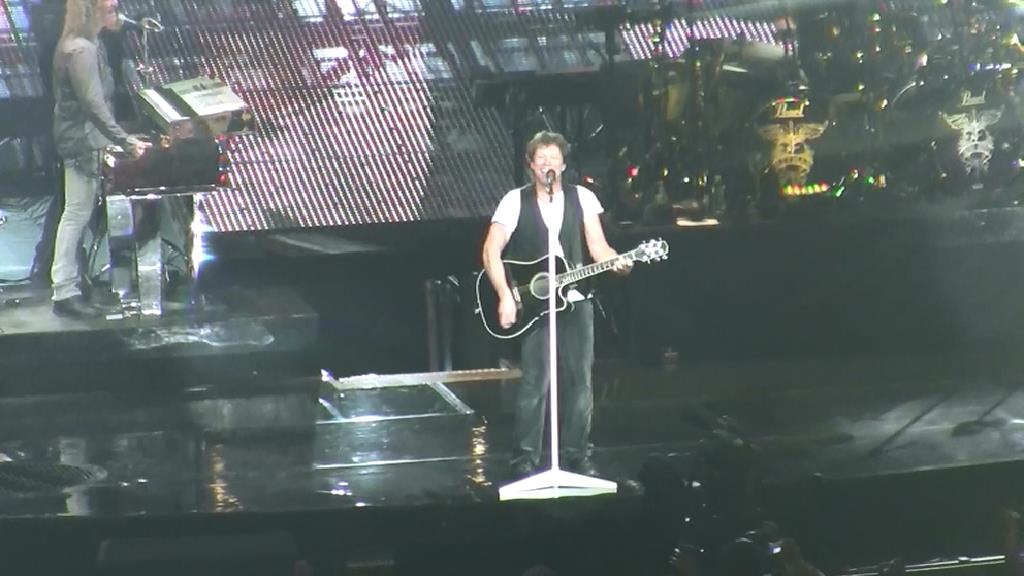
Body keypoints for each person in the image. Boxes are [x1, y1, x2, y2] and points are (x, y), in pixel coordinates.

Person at [481, 130, 631, 479]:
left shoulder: (583, 198)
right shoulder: (514, 201)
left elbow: (598, 247)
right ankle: (525, 459)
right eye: (541, 157)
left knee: (580, 381)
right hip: (535, 305)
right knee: (535, 382)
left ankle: (577, 454)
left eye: (553, 157)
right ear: (531, 165)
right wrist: (505, 294)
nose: (547, 163)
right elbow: (491, 250)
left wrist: (617, 261)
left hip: (575, 300)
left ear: (564, 164)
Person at [50, 0, 147, 318]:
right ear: (90, 11)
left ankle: (75, 283)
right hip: (83, 142)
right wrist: (125, 140)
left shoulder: (89, 44)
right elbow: (93, 105)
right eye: (109, 8)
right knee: (76, 213)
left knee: (79, 213)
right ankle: (64, 290)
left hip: (87, 139)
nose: (116, 13)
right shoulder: (81, 50)